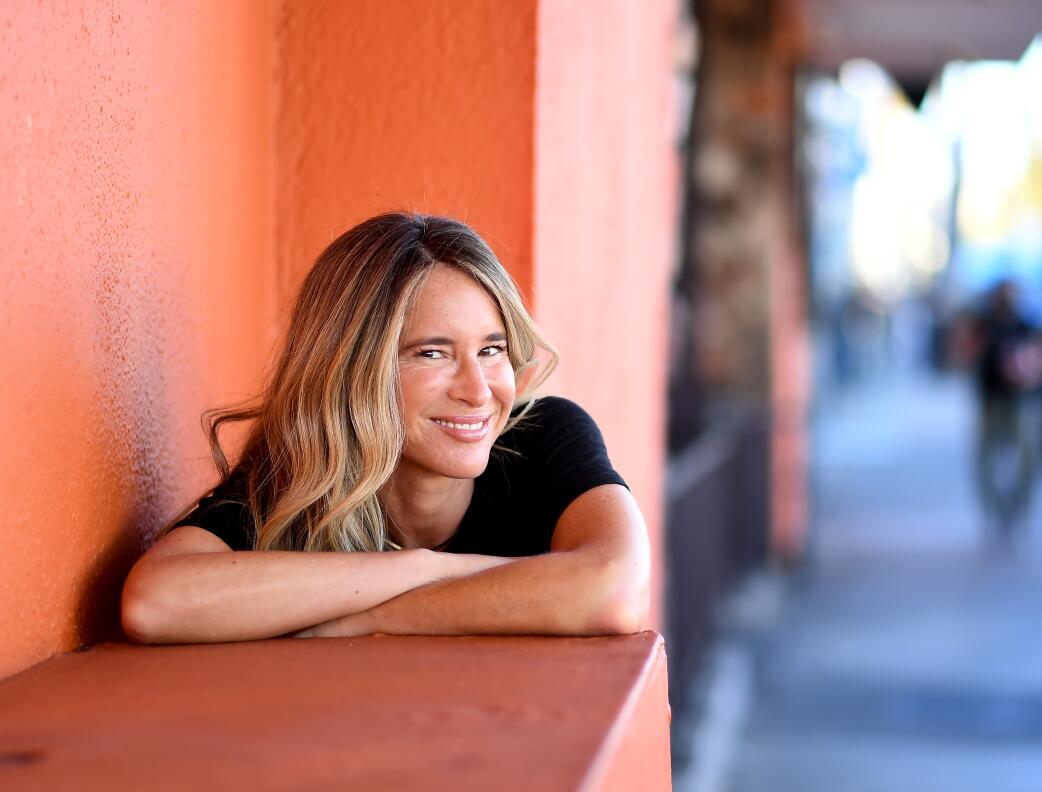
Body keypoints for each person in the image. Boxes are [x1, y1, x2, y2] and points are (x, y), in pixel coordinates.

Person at [121, 213, 650, 644]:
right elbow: (156, 602)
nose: (478, 388)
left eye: (492, 350)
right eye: (432, 353)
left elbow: (615, 589)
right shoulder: (302, 472)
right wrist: (422, 570)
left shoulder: (542, 436)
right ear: (354, 372)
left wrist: (368, 618)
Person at [966, 280, 1042, 547]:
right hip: (991, 401)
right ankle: (994, 512)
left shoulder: (1025, 325)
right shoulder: (984, 324)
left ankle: (1019, 511)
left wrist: (1025, 371)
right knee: (985, 461)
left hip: (1020, 401)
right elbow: (965, 352)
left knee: (1029, 457)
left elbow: (1041, 357)